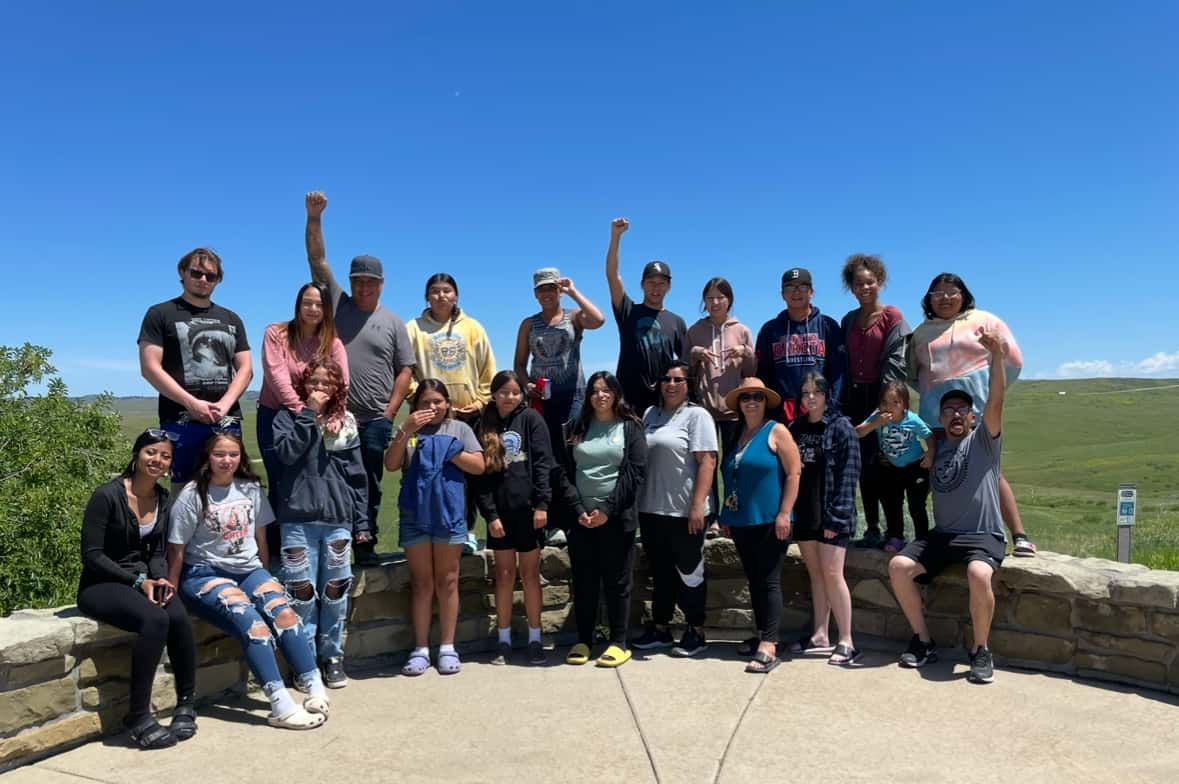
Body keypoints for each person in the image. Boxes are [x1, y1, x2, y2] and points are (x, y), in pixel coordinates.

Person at [166, 433, 328, 729]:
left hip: (249, 570)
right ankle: (280, 703)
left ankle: (313, 685)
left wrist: (263, 577)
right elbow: (176, 547)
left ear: (241, 457)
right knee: (252, 624)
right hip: (205, 572)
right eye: (219, 454)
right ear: (207, 457)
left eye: (233, 454)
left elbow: (260, 536)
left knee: (285, 613)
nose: (227, 461)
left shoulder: (250, 488)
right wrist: (173, 589)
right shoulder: (192, 495)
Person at [889, 327, 1011, 684]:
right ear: (940, 419)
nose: (956, 415)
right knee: (898, 567)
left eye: (962, 410)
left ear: (972, 417)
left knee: (978, 574)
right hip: (944, 536)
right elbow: (896, 430)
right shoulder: (935, 448)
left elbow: (996, 401)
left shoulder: (984, 443)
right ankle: (923, 641)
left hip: (982, 534)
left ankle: (980, 650)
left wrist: (998, 358)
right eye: (949, 411)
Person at [305, 191, 416, 564]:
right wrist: (314, 218)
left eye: (371, 282)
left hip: (373, 419)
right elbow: (317, 261)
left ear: (381, 284)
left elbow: (406, 370)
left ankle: (363, 543)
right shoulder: (338, 304)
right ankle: (330, 543)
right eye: (358, 281)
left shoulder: (394, 323)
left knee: (367, 481)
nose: (364, 287)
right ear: (351, 282)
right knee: (327, 477)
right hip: (333, 413)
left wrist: (389, 413)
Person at [77, 429, 197, 749]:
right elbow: (92, 556)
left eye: (165, 456)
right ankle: (139, 716)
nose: (157, 460)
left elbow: (157, 553)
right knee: (155, 621)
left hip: (141, 582)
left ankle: (186, 704)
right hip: (100, 584)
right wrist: (135, 581)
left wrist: (160, 580)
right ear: (136, 455)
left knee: (178, 615)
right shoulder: (107, 496)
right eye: (151, 453)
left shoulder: (161, 498)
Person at [907, 273, 1037, 558]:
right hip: (933, 416)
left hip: (974, 414)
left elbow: (1013, 361)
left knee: (990, 473)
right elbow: (914, 375)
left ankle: (1019, 535)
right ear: (928, 299)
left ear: (963, 295)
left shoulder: (986, 321)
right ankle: (935, 534)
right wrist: (934, 391)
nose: (944, 298)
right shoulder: (921, 332)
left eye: (951, 292)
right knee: (935, 473)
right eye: (937, 293)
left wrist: (984, 390)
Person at [272, 357, 369, 688]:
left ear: (337, 387)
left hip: (337, 519)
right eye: (313, 382)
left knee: (335, 593)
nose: (319, 388)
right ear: (303, 385)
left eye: (326, 384)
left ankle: (332, 657)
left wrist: (362, 521)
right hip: (297, 519)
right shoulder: (287, 417)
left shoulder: (347, 422)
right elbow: (286, 454)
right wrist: (309, 415)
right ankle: (304, 661)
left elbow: (358, 476)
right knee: (300, 595)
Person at [384, 379, 486, 676]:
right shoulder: (408, 429)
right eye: (425, 402)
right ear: (415, 406)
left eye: (438, 401)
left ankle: (447, 647)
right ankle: (420, 649)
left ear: (448, 404)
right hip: (414, 513)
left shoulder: (460, 430)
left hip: (449, 513)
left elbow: (479, 466)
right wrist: (405, 431)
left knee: (448, 580)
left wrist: (448, 452)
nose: (432, 407)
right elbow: (391, 465)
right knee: (421, 582)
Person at [556, 371, 647, 668]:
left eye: (607, 390)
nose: (601, 395)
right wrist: (578, 508)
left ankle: (618, 642)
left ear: (617, 394)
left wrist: (607, 509)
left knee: (617, 580)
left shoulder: (631, 427)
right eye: (595, 390)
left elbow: (634, 473)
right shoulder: (576, 426)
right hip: (581, 519)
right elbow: (563, 472)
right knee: (584, 581)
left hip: (617, 518)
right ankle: (584, 639)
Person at [138, 247, 251, 483]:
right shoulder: (160, 314)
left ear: (218, 280)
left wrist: (224, 405)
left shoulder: (231, 318)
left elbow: (246, 368)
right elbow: (150, 367)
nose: (203, 280)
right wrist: (191, 403)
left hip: (226, 421)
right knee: (183, 492)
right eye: (196, 273)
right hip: (179, 419)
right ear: (182, 272)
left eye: (210, 276)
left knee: (228, 488)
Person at [513, 267, 605, 547]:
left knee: (573, 456)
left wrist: (574, 291)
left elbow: (599, 319)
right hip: (542, 400)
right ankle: (552, 520)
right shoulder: (529, 324)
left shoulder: (573, 317)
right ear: (535, 293)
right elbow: (519, 363)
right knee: (545, 458)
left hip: (573, 397)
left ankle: (576, 515)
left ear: (559, 289)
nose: (547, 293)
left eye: (552, 288)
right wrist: (526, 383)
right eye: (542, 289)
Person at [631, 360, 717, 657]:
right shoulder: (650, 414)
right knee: (661, 572)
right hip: (652, 508)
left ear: (688, 384)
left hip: (685, 511)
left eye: (678, 379)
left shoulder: (697, 416)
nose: (671, 384)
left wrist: (697, 506)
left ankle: (696, 629)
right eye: (666, 379)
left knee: (690, 571)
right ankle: (661, 629)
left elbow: (707, 461)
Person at [257, 282, 350, 554]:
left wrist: (334, 413)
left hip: (319, 419)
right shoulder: (276, 334)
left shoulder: (332, 342)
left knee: (311, 480)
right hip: (277, 414)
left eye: (319, 304)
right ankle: (274, 550)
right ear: (297, 305)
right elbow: (277, 377)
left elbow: (342, 381)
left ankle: (313, 544)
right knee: (279, 478)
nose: (312, 309)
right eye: (307, 303)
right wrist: (304, 411)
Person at [717, 378, 802, 674]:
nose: (751, 402)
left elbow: (794, 473)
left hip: (771, 519)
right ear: (739, 404)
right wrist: (725, 516)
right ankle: (761, 633)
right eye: (745, 398)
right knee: (753, 580)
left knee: (769, 580)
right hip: (742, 520)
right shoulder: (737, 433)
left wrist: (785, 513)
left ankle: (770, 643)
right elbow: (730, 476)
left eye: (757, 397)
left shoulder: (776, 431)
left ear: (766, 402)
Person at [407, 273, 496, 555]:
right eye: (435, 291)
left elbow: (487, 370)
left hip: (469, 413)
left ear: (456, 295)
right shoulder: (414, 329)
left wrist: (481, 402)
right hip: (432, 417)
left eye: (447, 290)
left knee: (473, 476)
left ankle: (468, 531)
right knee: (432, 474)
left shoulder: (473, 328)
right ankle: (429, 529)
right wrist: (418, 399)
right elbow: (405, 371)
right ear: (427, 296)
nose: (441, 296)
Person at [473, 371, 555, 665]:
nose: (510, 397)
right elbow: (480, 479)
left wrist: (543, 504)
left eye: (515, 392)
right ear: (493, 394)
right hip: (500, 515)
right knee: (505, 576)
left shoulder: (532, 419)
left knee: (530, 575)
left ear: (523, 395)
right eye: (504, 392)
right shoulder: (483, 424)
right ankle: (504, 640)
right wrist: (490, 515)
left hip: (529, 513)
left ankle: (535, 637)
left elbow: (544, 463)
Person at [788, 373, 862, 666]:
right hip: (806, 513)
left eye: (815, 392)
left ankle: (846, 640)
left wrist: (837, 518)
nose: (810, 397)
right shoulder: (796, 427)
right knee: (816, 576)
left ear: (826, 394)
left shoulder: (842, 428)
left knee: (833, 575)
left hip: (833, 514)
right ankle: (820, 635)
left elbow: (849, 476)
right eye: (805, 392)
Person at [839, 254, 910, 549]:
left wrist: (885, 408)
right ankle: (870, 528)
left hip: (885, 398)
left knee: (888, 463)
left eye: (870, 281)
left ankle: (895, 531)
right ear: (851, 287)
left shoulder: (893, 317)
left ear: (879, 282)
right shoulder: (848, 320)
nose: (865, 287)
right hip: (855, 397)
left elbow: (896, 362)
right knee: (863, 465)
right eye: (858, 283)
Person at [685, 276, 756, 538]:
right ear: (704, 301)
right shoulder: (694, 330)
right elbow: (685, 372)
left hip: (735, 410)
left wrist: (744, 352)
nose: (715, 302)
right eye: (710, 297)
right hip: (704, 410)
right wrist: (695, 355)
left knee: (734, 465)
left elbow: (751, 373)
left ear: (729, 300)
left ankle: (735, 515)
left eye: (720, 297)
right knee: (707, 465)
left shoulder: (742, 330)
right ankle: (713, 517)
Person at [604, 217, 687, 414]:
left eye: (661, 283)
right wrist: (616, 236)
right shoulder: (628, 311)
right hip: (628, 399)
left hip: (663, 400)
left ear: (669, 286)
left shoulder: (676, 321)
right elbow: (612, 275)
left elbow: (684, 365)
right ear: (642, 284)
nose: (655, 288)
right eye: (651, 282)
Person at [755, 267, 846, 423]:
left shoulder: (828, 326)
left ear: (811, 291)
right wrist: (769, 410)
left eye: (802, 287)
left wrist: (832, 407)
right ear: (783, 294)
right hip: (782, 413)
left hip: (820, 409)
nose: (796, 292)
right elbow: (764, 373)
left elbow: (838, 372)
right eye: (790, 287)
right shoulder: (770, 330)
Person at [854, 382, 933, 553]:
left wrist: (930, 454)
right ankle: (897, 537)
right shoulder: (877, 416)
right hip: (892, 467)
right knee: (892, 504)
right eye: (884, 402)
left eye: (895, 403)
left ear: (904, 404)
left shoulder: (912, 419)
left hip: (915, 467)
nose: (889, 407)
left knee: (916, 505)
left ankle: (922, 539)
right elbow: (857, 432)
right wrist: (876, 423)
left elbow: (929, 436)